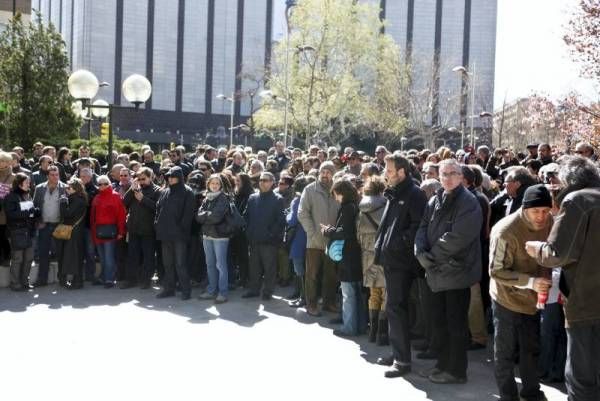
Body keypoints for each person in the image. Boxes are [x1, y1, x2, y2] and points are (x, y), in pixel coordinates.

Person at [525, 156, 600, 401]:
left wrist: (536, 247)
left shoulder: (577, 200)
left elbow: (556, 254)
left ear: (568, 180)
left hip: (586, 303)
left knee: (581, 378)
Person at [415, 158, 482, 384]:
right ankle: (442, 365)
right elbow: (423, 227)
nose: (448, 178)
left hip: (456, 272)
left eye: (453, 173)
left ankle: (456, 371)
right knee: (439, 323)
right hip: (435, 272)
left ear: (461, 176)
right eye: (444, 174)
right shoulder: (435, 199)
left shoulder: (468, 201)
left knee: (456, 325)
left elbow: (459, 237)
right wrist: (420, 251)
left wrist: (430, 257)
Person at [489, 184, 554, 401]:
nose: (541, 217)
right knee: (505, 352)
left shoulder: (551, 223)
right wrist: (531, 282)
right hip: (506, 298)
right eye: (536, 211)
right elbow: (496, 271)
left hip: (534, 299)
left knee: (531, 347)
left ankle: (531, 391)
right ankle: (508, 395)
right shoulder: (505, 230)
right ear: (525, 209)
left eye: (545, 211)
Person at [373, 153, 428, 378]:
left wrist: (396, 245)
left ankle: (402, 360)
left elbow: (417, 227)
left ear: (402, 172)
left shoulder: (414, 194)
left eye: (389, 170)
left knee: (397, 307)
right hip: (390, 259)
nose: (386, 174)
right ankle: (397, 353)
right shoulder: (395, 192)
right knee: (394, 308)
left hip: (402, 262)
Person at [298, 161, 341, 316]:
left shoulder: (338, 190)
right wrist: (312, 232)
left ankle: (329, 303)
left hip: (334, 241)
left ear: (333, 174)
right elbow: (302, 213)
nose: (325, 174)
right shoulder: (310, 190)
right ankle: (311, 304)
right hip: (314, 241)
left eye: (329, 172)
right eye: (323, 171)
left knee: (331, 274)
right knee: (312, 275)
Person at [322, 179, 364, 337]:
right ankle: (359, 326)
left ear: (341, 192)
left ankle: (349, 327)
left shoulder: (347, 208)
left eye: (335, 194)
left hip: (347, 255)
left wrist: (328, 231)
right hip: (355, 254)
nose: (335, 198)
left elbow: (344, 231)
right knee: (357, 293)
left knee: (348, 294)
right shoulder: (356, 205)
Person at [154, 166, 196, 300]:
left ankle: (185, 290)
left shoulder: (188, 192)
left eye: (173, 176)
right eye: (169, 177)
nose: (170, 179)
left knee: (180, 264)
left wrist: (181, 229)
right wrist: (157, 224)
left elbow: (188, 214)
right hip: (165, 234)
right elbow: (158, 208)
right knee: (167, 264)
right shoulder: (165, 191)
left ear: (180, 177)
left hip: (179, 235)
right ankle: (169, 289)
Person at [243, 172, 286, 301]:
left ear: (273, 182)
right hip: (254, 239)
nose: (262, 182)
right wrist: (248, 232)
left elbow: (280, 221)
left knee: (269, 268)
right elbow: (246, 216)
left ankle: (268, 291)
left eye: (266, 180)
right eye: (261, 180)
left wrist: (271, 235)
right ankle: (254, 289)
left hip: (269, 241)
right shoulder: (252, 198)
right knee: (254, 266)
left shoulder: (278, 199)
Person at [357, 176, 387, 344]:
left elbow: (358, 234)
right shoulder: (385, 206)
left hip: (367, 255)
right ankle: (382, 334)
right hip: (382, 253)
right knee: (385, 293)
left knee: (373, 293)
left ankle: (372, 332)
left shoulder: (361, 209)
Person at [122, 167, 160, 289]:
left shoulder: (157, 190)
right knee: (132, 255)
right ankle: (130, 280)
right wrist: (130, 190)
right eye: (139, 179)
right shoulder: (135, 188)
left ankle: (145, 280)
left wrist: (143, 199)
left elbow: (157, 208)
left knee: (148, 256)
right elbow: (124, 203)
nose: (141, 181)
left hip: (148, 229)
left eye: (143, 179)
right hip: (134, 228)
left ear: (151, 177)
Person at [197, 174, 232, 303]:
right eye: (212, 183)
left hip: (220, 236)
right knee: (210, 264)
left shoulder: (224, 198)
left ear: (221, 185)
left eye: (217, 183)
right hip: (207, 235)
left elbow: (216, 217)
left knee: (221, 265)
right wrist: (207, 215)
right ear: (208, 184)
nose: (215, 185)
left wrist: (205, 215)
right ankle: (211, 290)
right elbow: (198, 217)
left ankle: (223, 292)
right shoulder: (207, 198)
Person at [32, 165, 66, 287]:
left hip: (59, 226)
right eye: (52, 175)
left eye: (57, 175)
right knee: (43, 254)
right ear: (47, 176)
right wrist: (38, 221)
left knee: (61, 254)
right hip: (44, 225)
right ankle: (42, 280)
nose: (55, 177)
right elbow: (35, 206)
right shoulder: (39, 188)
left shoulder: (65, 188)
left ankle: (62, 280)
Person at [91, 175, 126, 288]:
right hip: (98, 231)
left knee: (109, 256)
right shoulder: (96, 197)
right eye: (100, 184)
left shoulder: (115, 196)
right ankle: (104, 277)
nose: (102, 186)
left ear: (109, 184)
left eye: (105, 183)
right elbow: (92, 216)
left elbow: (121, 215)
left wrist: (121, 231)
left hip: (110, 230)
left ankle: (109, 279)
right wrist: (93, 231)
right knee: (102, 257)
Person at [4, 173, 38, 291]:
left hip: (29, 231)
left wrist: (36, 212)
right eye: (27, 182)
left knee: (29, 258)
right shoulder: (11, 196)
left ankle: (24, 281)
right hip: (16, 232)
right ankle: (15, 283)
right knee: (18, 258)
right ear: (19, 184)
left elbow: (31, 211)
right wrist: (28, 212)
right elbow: (11, 214)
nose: (29, 184)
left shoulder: (28, 195)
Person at [56, 178, 88, 289]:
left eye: (69, 188)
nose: (66, 190)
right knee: (74, 256)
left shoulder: (77, 200)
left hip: (74, 232)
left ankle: (77, 282)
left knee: (74, 257)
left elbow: (67, 214)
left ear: (76, 189)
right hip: (74, 231)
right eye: (66, 187)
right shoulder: (77, 198)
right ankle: (76, 281)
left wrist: (63, 203)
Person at [287, 175, 313, 308]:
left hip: (299, 238)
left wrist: (287, 214)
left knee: (300, 269)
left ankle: (303, 297)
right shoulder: (315, 199)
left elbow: (292, 220)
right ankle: (304, 295)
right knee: (309, 270)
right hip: (312, 238)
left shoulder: (298, 201)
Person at [231, 173, 253, 287]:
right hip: (236, 229)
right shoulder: (236, 193)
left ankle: (247, 278)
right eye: (236, 180)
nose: (236, 182)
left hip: (244, 230)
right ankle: (242, 277)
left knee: (244, 256)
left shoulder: (249, 195)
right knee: (239, 256)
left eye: (238, 180)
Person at [0, 151, 16, 264]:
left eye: (2, 161)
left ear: (8, 162)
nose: (0, 163)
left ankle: (6, 256)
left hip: (6, 212)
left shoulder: (14, 177)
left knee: (4, 236)